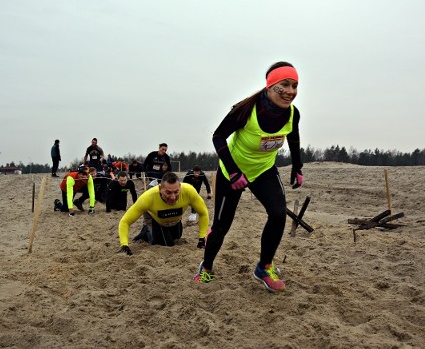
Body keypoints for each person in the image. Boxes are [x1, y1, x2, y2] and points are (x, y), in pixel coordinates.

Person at [194, 62, 303, 292]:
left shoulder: (292, 113)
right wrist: (233, 172)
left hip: (263, 169)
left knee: (278, 213)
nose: (291, 91)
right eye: (285, 85)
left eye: (295, 85)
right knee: (222, 226)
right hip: (232, 170)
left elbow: (293, 138)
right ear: (271, 86)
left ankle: (263, 267)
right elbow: (218, 136)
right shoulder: (246, 109)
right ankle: (207, 267)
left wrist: (297, 167)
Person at [118, 172, 209, 254]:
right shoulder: (148, 197)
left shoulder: (188, 191)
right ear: (160, 188)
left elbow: (203, 213)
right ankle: (146, 231)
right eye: (168, 192)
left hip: (175, 220)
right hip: (156, 219)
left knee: (176, 237)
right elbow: (125, 221)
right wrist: (124, 245)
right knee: (167, 243)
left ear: (180, 187)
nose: (173, 197)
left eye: (176, 192)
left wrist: (202, 239)